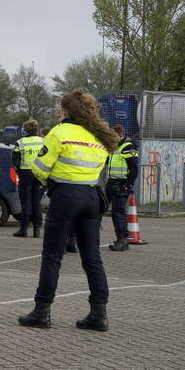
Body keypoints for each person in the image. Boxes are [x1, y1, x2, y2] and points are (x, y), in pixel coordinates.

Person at [18, 89, 119, 332]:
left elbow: (39, 167)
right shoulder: (98, 135)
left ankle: (42, 311)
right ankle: (99, 313)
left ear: (65, 111)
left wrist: (48, 181)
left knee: (52, 256)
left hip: (65, 196)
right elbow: (99, 168)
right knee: (92, 257)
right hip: (92, 197)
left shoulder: (59, 132)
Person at [106, 124, 139, 251]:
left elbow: (134, 169)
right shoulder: (114, 148)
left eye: (114, 136)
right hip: (111, 183)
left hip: (121, 185)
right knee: (98, 209)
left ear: (121, 135)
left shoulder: (128, 148)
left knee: (118, 213)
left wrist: (126, 185)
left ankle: (122, 240)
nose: (111, 139)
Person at [12, 119, 45, 238]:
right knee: (36, 202)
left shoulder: (20, 142)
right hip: (39, 174)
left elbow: (15, 160)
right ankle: (37, 229)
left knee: (26, 203)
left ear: (26, 130)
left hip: (25, 174)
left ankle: (23, 229)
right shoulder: (43, 141)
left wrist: (18, 170)